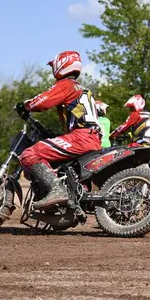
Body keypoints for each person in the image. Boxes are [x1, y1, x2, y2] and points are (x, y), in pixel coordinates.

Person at [17, 51, 102, 210]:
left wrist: (26, 105)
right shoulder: (82, 89)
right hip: (92, 138)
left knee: (29, 154)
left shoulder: (66, 84)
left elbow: (41, 102)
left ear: (61, 64)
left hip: (81, 137)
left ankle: (57, 190)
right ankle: (72, 198)